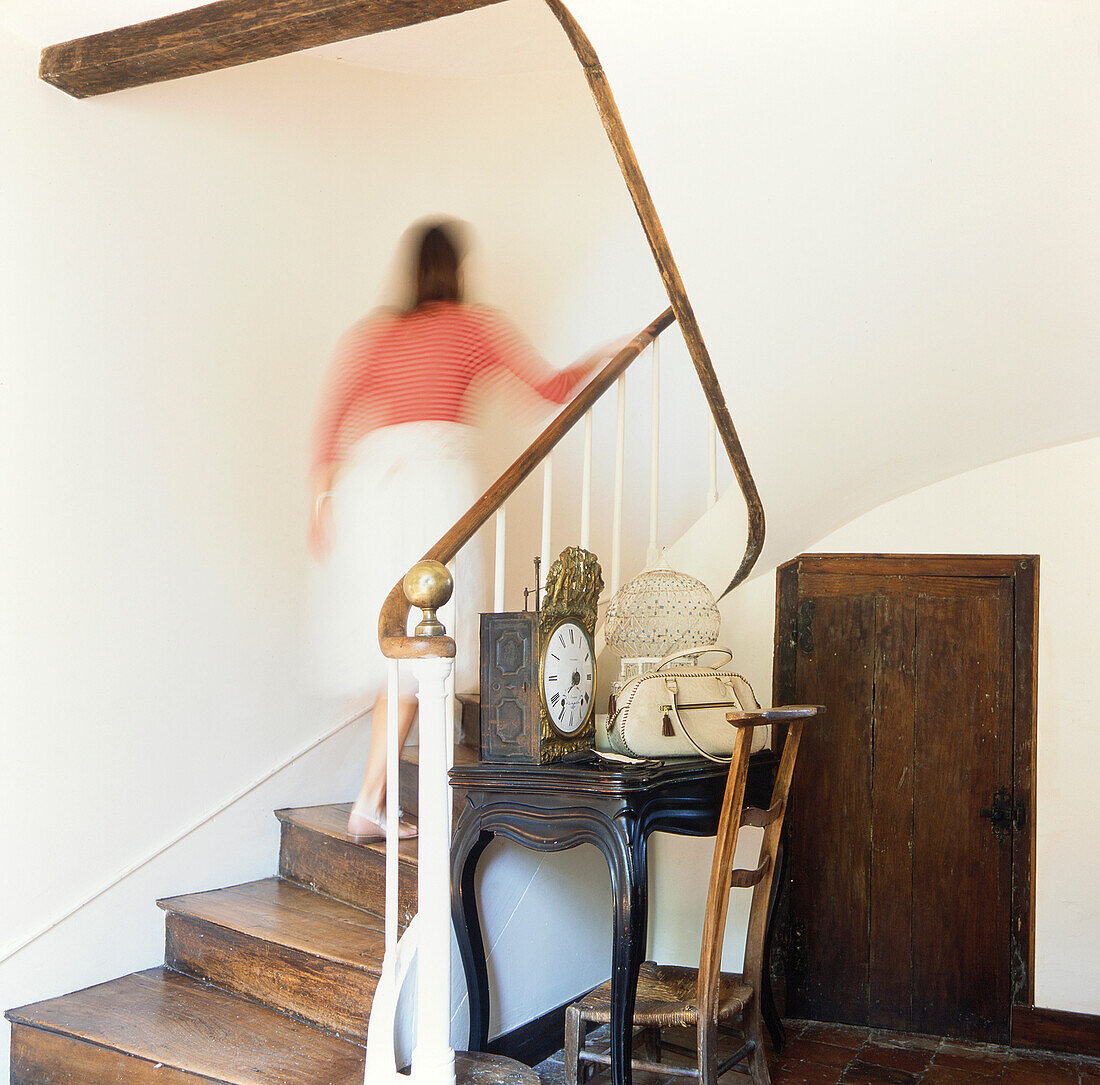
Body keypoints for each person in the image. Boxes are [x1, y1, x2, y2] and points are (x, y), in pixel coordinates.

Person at [309, 221, 621, 841]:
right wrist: (607, 356)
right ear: (456, 267)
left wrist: (322, 502)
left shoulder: (379, 334)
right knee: (424, 652)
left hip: (377, 487)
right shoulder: (473, 327)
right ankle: (376, 803)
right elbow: (550, 389)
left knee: (402, 653)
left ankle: (375, 800)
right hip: (433, 491)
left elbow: (335, 415)